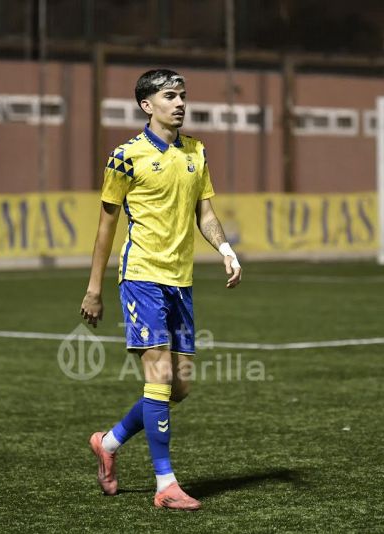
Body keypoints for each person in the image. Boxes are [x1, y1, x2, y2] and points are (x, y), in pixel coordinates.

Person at [80, 69, 242, 511]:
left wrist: (226, 249)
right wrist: (94, 288)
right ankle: (165, 483)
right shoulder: (125, 157)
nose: (180, 103)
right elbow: (106, 228)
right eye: (170, 96)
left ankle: (108, 443)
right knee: (159, 376)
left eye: (183, 96)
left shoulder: (196, 151)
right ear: (147, 105)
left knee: (180, 387)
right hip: (142, 278)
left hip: (181, 282)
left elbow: (204, 214)